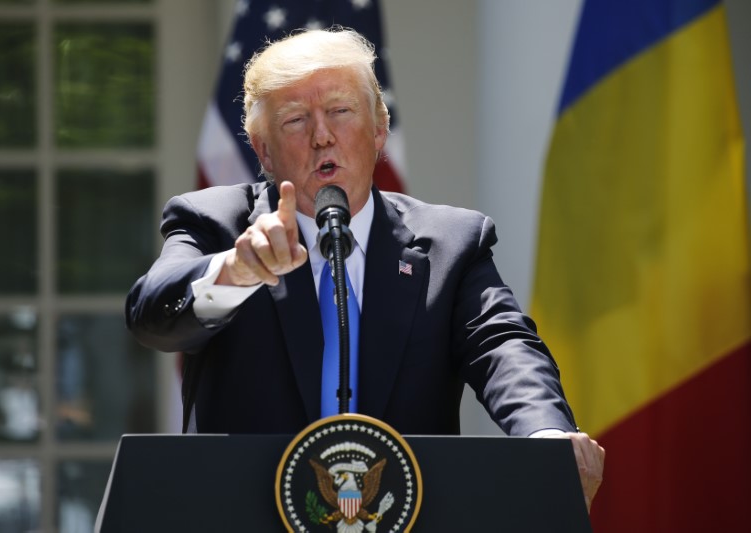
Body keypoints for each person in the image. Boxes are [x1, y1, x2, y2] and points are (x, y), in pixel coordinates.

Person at [126, 28, 604, 510]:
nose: (322, 136)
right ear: (263, 150)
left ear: (379, 129)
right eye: (295, 120)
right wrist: (234, 271)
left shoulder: (450, 243)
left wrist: (545, 432)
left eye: (340, 111)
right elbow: (153, 315)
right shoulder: (214, 223)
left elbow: (502, 345)